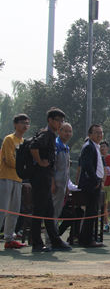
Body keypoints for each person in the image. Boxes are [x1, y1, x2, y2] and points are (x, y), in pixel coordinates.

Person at [30, 108, 71, 252]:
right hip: (41, 177)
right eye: (57, 120)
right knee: (39, 211)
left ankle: (55, 239)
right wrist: (40, 162)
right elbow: (33, 146)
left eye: (61, 121)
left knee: (48, 211)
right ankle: (36, 243)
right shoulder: (46, 134)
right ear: (50, 120)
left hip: (46, 177)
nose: (60, 123)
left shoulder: (51, 135)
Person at [0, 114, 30, 249]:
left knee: (14, 210)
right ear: (15, 124)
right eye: (23, 123)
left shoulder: (24, 142)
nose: (25, 126)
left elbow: (21, 162)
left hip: (18, 179)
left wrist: (23, 168)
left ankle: (9, 239)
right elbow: (9, 159)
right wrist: (22, 166)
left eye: (27, 123)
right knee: (3, 209)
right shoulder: (9, 139)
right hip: (5, 177)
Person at [78, 124, 105, 248]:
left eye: (101, 133)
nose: (99, 135)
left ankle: (87, 238)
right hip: (91, 184)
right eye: (96, 133)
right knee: (91, 212)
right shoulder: (88, 146)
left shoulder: (96, 147)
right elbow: (87, 166)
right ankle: (87, 240)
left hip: (96, 182)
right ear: (90, 135)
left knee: (93, 211)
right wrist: (95, 181)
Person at [46, 122, 72, 247]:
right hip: (55, 183)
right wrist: (52, 184)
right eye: (65, 131)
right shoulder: (56, 145)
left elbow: (66, 169)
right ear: (59, 131)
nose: (67, 133)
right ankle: (50, 239)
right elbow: (52, 167)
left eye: (69, 131)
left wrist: (67, 185)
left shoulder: (66, 147)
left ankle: (54, 237)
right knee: (53, 212)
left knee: (58, 211)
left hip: (62, 184)